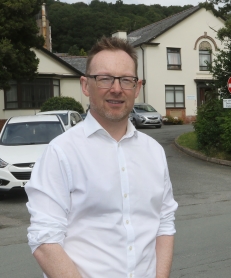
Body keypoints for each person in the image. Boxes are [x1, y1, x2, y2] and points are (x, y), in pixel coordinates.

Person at [25, 36, 178, 278]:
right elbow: (45, 241)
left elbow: (164, 223)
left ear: (137, 88)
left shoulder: (154, 152)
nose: (116, 88)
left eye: (126, 80)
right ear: (86, 85)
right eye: (104, 78)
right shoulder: (61, 152)